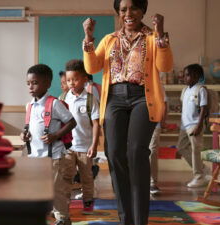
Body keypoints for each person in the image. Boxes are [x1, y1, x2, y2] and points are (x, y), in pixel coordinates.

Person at [82, 0, 173, 224]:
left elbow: (165, 67)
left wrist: (160, 35)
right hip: (114, 98)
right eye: (123, 9)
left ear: (142, 10)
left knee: (136, 153)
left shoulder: (152, 37)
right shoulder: (109, 39)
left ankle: (140, 220)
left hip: (143, 97)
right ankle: (126, 219)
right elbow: (92, 68)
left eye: (134, 8)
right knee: (113, 154)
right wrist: (88, 39)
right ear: (119, 13)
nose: (128, 13)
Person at [20, 64, 76, 225]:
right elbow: (29, 127)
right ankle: (40, 215)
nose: (31, 86)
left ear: (47, 84)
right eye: (28, 83)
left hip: (53, 157)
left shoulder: (55, 104)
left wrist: (56, 135)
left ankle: (63, 218)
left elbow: (71, 122)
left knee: (56, 190)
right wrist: (24, 134)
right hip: (34, 157)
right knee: (36, 189)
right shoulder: (29, 106)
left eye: (35, 83)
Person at [61, 59, 100, 214]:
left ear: (85, 79)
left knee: (86, 177)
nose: (72, 83)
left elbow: (96, 124)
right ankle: (63, 204)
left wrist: (94, 145)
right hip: (68, 147)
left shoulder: (90, 99)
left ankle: (88, 202)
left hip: (85, 147)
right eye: (69, 80)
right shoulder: (63, 98)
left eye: (75, 79)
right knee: (66, 177)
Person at [177, 64, 208, 188]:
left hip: (195, 125)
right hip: (185, 126)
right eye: (184, 75)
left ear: (196, 76)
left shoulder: (201, 89)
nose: (184, 78)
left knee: (196, 151)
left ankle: (199, 177)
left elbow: (203, 109)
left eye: (187, 75)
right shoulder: (185, 90)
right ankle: (203, 169)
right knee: (181, 147)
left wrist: (199, 125)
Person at [149, 91, 167, 195]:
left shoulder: (158, 84)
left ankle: (152, 183)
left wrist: (163, 121)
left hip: (155, 124)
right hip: (137, 124)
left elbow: (164, 104)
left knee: (152, 151)